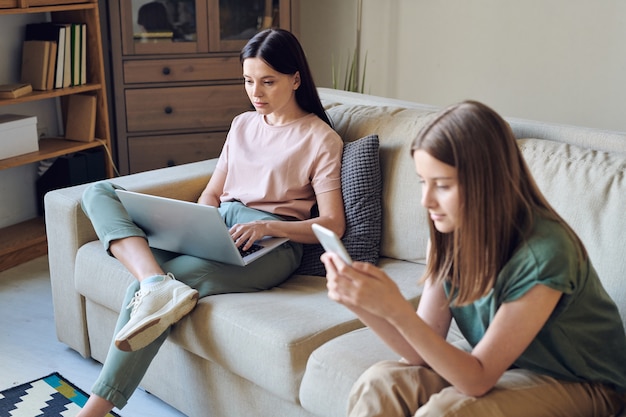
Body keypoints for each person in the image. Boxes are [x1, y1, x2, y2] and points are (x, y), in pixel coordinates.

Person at [77, 28, 345, 417]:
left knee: (151, 291)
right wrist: (200, 220)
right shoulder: (242, 125)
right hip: (217, 225)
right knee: (97, 193)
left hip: (272, 244)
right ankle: (155, 282)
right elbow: (212, 191)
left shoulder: (321, 140)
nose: (257, 92)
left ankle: (94, 410)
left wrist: (268, 228)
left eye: (268, 82)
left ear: (295, 79)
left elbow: (332, 224)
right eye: (249, 81)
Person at [321, 100, 626, 417]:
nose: (426, 200)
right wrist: (359, 302)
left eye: (442, 186)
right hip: (506, 363)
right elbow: (418, 352)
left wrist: (395, 308)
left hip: (582, 382)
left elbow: (478, 380)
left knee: (449, 411)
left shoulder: (546, 253)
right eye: (423, 182)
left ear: (486, 183)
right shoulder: (448, 237)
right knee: (382, 382)